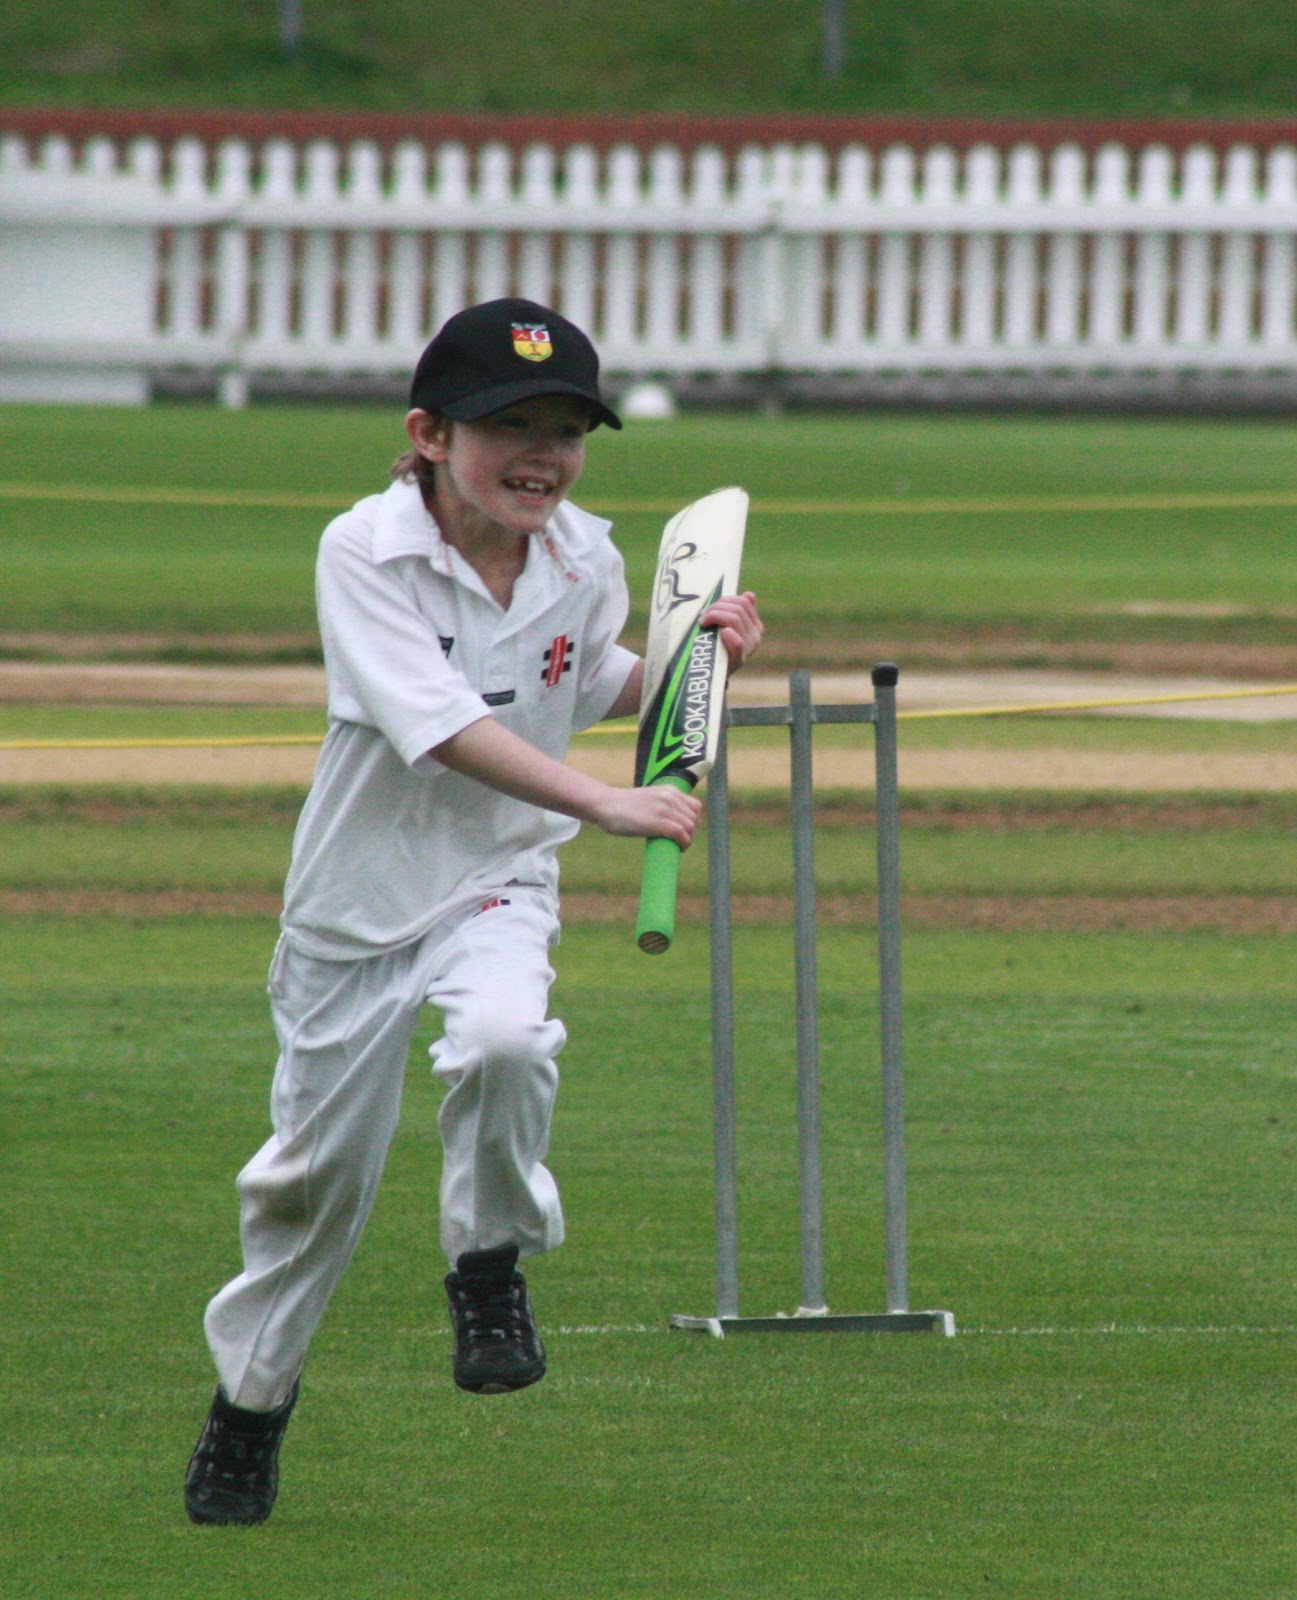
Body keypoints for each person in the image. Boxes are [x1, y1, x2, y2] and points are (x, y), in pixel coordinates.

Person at [183, 297, 763, 1526]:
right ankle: (251, 1404)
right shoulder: (364, 550)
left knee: (505, 1042)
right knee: (309, 1192)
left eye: (565, 426)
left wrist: (690, 660)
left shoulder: (585, 557)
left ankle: (488, 1261)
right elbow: (443, 726)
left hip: (499, 877)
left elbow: (580, 679)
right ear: (430, 434)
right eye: (509, 426)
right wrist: (608, 807)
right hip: (352, 914)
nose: (541, 453)